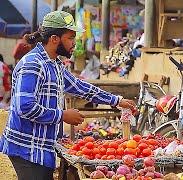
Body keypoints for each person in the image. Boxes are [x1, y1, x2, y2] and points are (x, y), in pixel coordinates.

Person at [0, 11, 136, 180]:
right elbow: (24, 107)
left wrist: (117, 101)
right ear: (54, 39)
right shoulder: (33, 64)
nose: (74, 42)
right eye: (71, 38)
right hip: (27, 148)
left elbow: (80, 87)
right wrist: (62, 115)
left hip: (42, 147)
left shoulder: (55, 63)